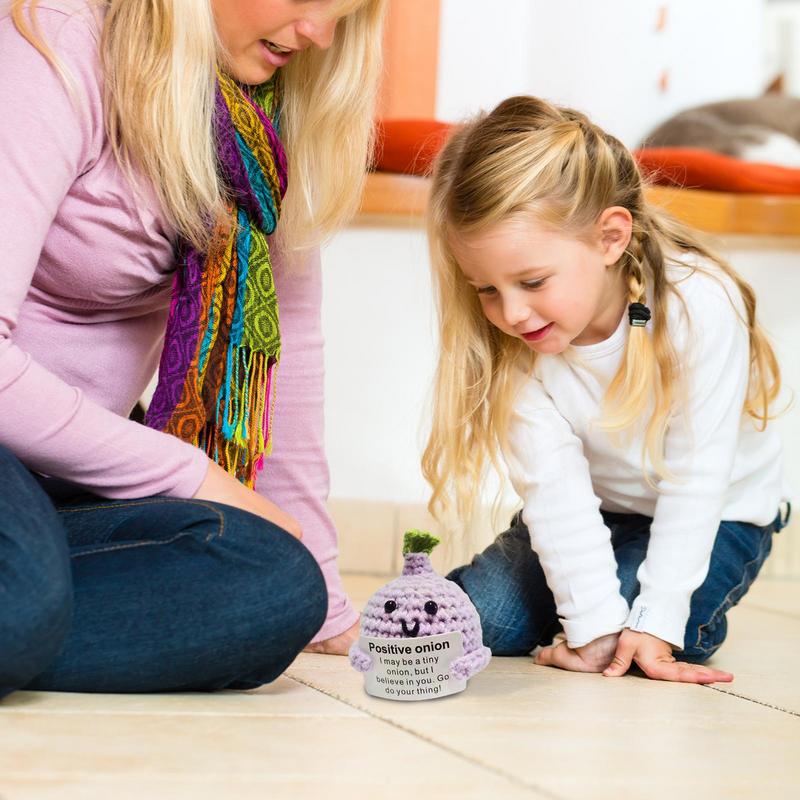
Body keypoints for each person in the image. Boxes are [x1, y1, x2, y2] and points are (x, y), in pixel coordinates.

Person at [0, 0, 384, 697]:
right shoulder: (54, 41)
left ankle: (27, 615)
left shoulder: (260, 120)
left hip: (54, 483)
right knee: (23, 597)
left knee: (277, 587)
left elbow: (287, 344)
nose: (321, 34)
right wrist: (190, 474)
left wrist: (324, 589)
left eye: (345, 11)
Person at [422, 96, 793, 684]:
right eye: (485, 289)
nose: (512, 312)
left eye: (532, 281)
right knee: (477, 624)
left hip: (721, 514)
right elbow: (555, 491)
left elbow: (698, 479)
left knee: (646, 638)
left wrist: (655, 618)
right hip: (600, 508)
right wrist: (591, 630)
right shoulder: (515, 345)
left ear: (610, 239)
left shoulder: (701, 305)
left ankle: (653, 609)